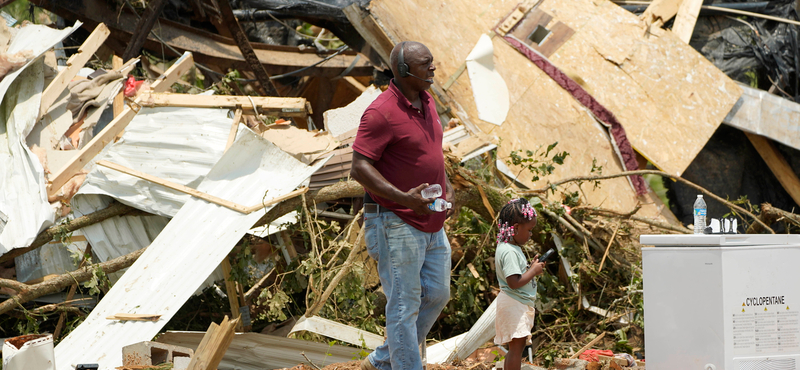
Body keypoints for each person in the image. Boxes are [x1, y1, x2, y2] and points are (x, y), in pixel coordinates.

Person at [350, 40, 454, 370]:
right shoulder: (381, 112)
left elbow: (432, 153)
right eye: (426, 64)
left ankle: (383, 360)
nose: (433, 69)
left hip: (430, 219)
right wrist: (404, 198)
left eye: (432, 62)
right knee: (403, 306)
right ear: (405, 71)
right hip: (395, 220)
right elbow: (359, 167)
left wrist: (447, 187)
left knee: (438, 294)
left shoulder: (428, 101)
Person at [494, 198, 545, 370]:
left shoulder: (510, 247)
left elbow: (516, 275)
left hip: (516, 303)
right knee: (517, 349)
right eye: (529, 230)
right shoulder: (509, 251)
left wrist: (529, 268)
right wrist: (534, 272)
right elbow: (514, 282)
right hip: (514, 303)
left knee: (515, 349)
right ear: (515, 228)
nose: (531, 234)